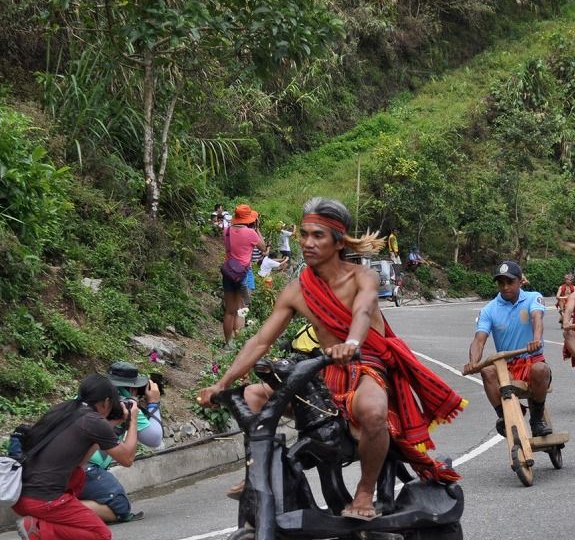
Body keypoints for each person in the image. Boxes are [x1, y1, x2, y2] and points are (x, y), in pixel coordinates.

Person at [198, 196, 465, 521]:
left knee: (372, 410)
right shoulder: (297, 290)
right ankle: (261, 473)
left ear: (338, 241)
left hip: (366, 366)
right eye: (304, 234)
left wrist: (351, 342)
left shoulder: (361, 278)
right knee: (253, 396)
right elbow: (260, 341)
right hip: (323, 369)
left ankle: (365, 493)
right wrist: (222, 383)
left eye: (318, 236)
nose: (307, 243)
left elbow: (364, 310)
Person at [11, 375, 140, 540]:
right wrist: (133, 420)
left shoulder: (64, 411)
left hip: (20, 495)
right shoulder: (93, 421)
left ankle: (42, 522)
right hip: (44, 500)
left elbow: (82, 457)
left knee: (79, 472)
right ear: (106, 402)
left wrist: (114, 424)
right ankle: (38, 530)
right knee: (101, 536)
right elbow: (127, 458)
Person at [467, 261, 553, 438]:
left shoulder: (533, 298)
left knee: (541, 369)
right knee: (487, 370)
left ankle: (537, 421)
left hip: (532, 361)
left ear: (520, 281)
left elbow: (537, 318)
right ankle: (504, 417)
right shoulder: (488, 310)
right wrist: (473, 362)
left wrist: (536, 340)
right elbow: (479, 339)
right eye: (501, 283)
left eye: (510, 282)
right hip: (507, 368)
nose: (505, 287)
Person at [76, 362, 163, 523]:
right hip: (85, 467)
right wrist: (153, 404)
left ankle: (57, 506)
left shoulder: (85, 396)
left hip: (61, 464)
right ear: (131, 387)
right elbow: (154, 438)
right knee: (120, 508)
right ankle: (57, 509)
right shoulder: (125, 401)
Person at [221, 204, 265, 342]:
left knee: (229, 311)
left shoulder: (226, 231)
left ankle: (228, 343)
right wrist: (257, 229)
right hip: (243, 274)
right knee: (242, 309)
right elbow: (263, 248)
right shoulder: (250, 233)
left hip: (228, 273)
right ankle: (239, 341)